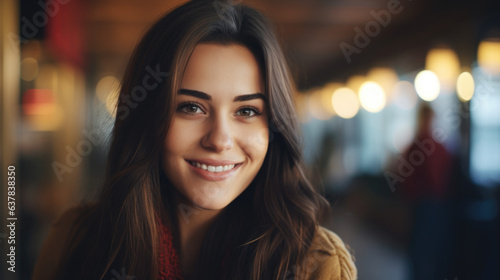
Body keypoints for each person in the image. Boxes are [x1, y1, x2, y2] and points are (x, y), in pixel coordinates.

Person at [32, 1, 357, 279]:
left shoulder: (316, 265)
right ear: (147, 117)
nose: (219, 139)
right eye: (191, 107)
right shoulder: (76, 241)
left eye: (246, 111)